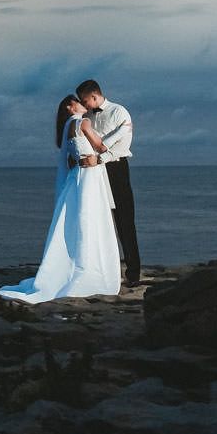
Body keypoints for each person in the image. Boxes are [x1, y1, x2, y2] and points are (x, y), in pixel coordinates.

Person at [0, 95, 121, 302]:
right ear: (71, 107)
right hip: (90, 176)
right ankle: (90, 268)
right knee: (91, 221)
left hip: (77, 176)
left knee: (77, 221)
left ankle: (75, 263)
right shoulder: (82, 122)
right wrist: (119, 136)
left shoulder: (67, 127)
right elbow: (100, 146)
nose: (84, 104)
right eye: (79, 102)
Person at [76, 78, 141, 287]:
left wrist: (101, 157)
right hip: (94, 171)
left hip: (116, 168)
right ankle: (103, 269)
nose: (84, 106)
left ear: (94, 96)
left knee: (125, 221)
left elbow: (123, 144)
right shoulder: (87, 116)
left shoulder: (119, 112)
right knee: (98, 220)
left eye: (85, 101)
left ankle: (133, 272)